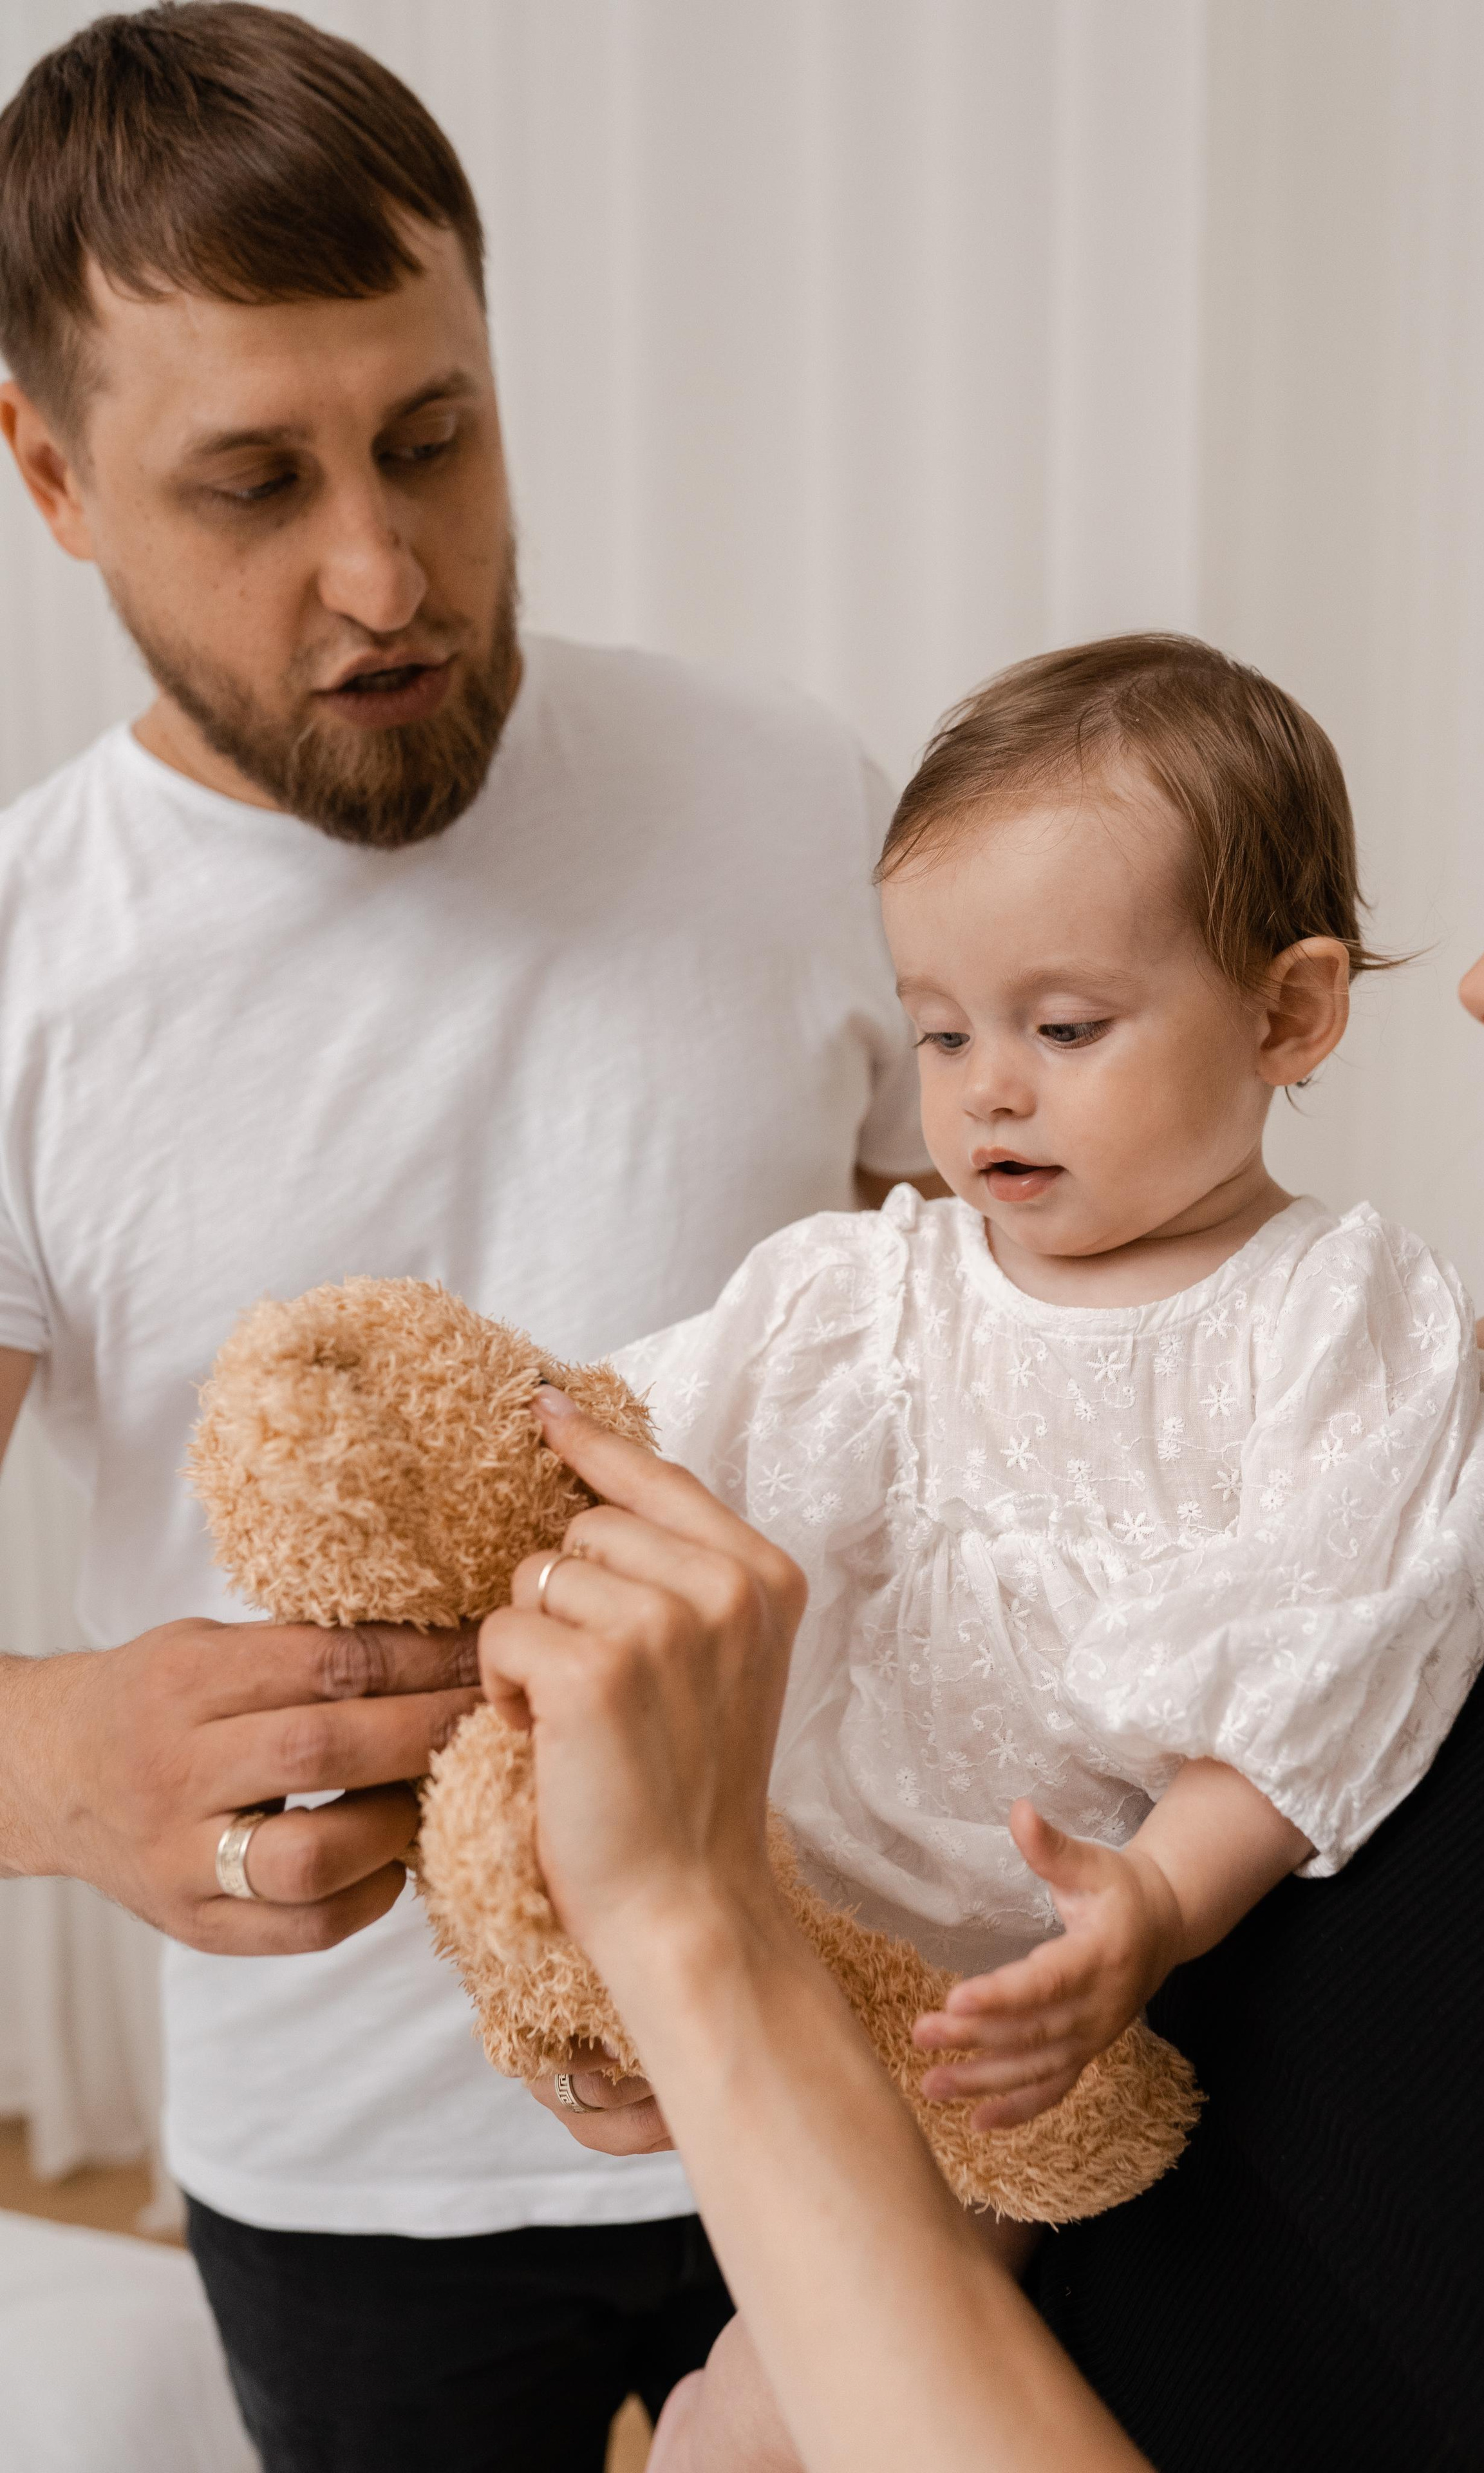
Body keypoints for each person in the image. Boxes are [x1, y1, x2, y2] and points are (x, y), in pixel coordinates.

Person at [0, 9, 930, 2468]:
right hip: (350, 2175)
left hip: (846, 2040)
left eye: (435, 435)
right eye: (250, 483)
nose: (385, 575)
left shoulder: (790, 787)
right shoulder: (22, 970)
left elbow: (1008, 1328)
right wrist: (56, 1758)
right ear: (49, 474)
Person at [463, 607, 1484, 2473]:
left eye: (1065, 1028)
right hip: (820, 1946)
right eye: (939, 1030)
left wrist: (1158, 1906)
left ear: (1290, 1012)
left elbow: (1335, 1653)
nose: (985, 1088)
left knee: (749, 2426)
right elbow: (611, 1444)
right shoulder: (868, 1287)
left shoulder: (1340, 1325)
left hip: (1024, 2034)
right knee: (724, 2401)